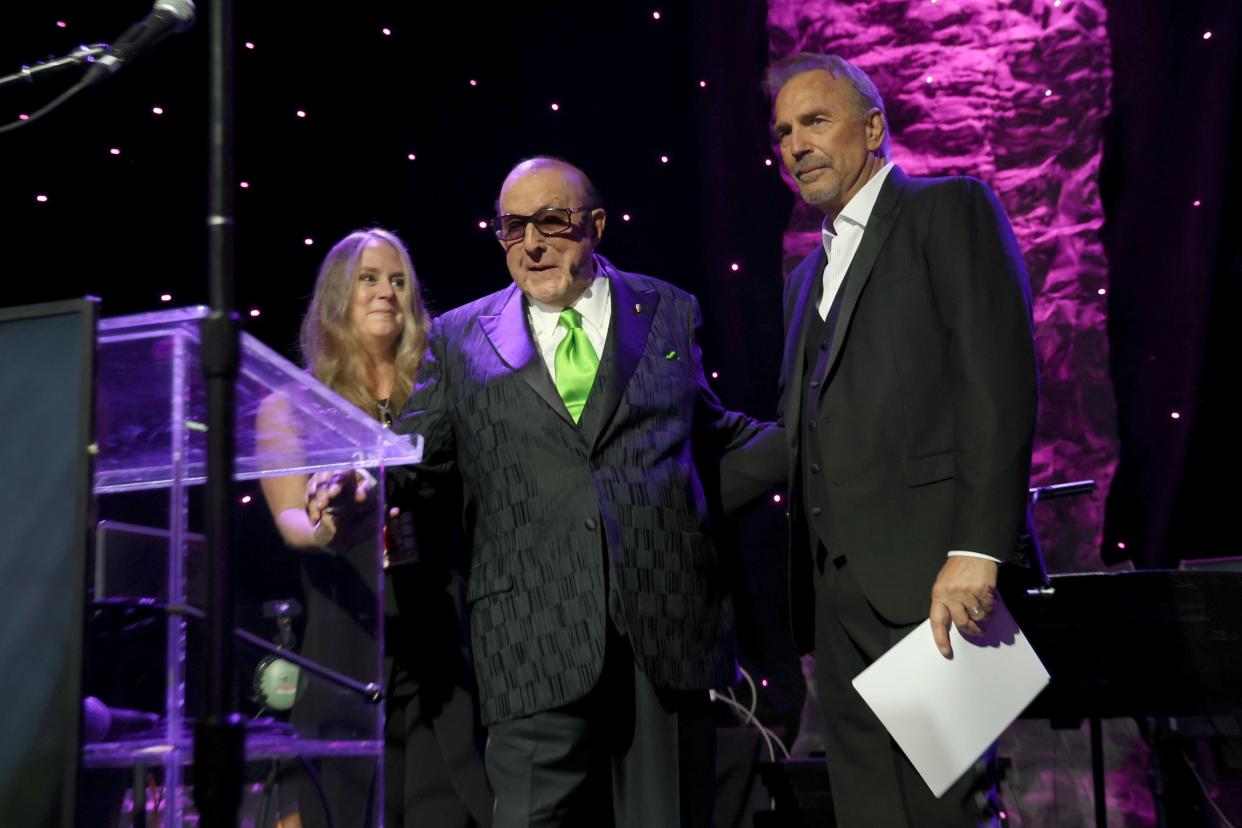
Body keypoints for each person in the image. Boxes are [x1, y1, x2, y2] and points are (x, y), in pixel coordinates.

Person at [309, 157, 765, 827]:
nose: (532, 243)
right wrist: (359, 483)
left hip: (662, 630)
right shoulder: (462, 337)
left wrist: (822, 441)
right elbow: (411, 458)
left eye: (551, 221)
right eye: (512, 227)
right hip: (529, 644)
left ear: (595, 226)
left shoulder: (667, 309)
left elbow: (708, 432)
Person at [739, 53, 1040, 826]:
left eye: (815, 122)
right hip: (838, 597)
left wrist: (977, 548)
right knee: (869, 810)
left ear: (873, 127)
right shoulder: (804, 277)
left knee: (949, 810)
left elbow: (998, 384)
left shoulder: (949, 210)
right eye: (782, 132)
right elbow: (808, 426)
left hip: (935, 582)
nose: (795, 145)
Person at [257, 228, 492, 827]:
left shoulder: (442, 392)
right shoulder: (292, 406)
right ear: (339, 294)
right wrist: (328, 530)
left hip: (445, 643)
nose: (386, 292)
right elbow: (289, 518)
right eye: (369, 279)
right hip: (347, 640)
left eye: (397, 281)